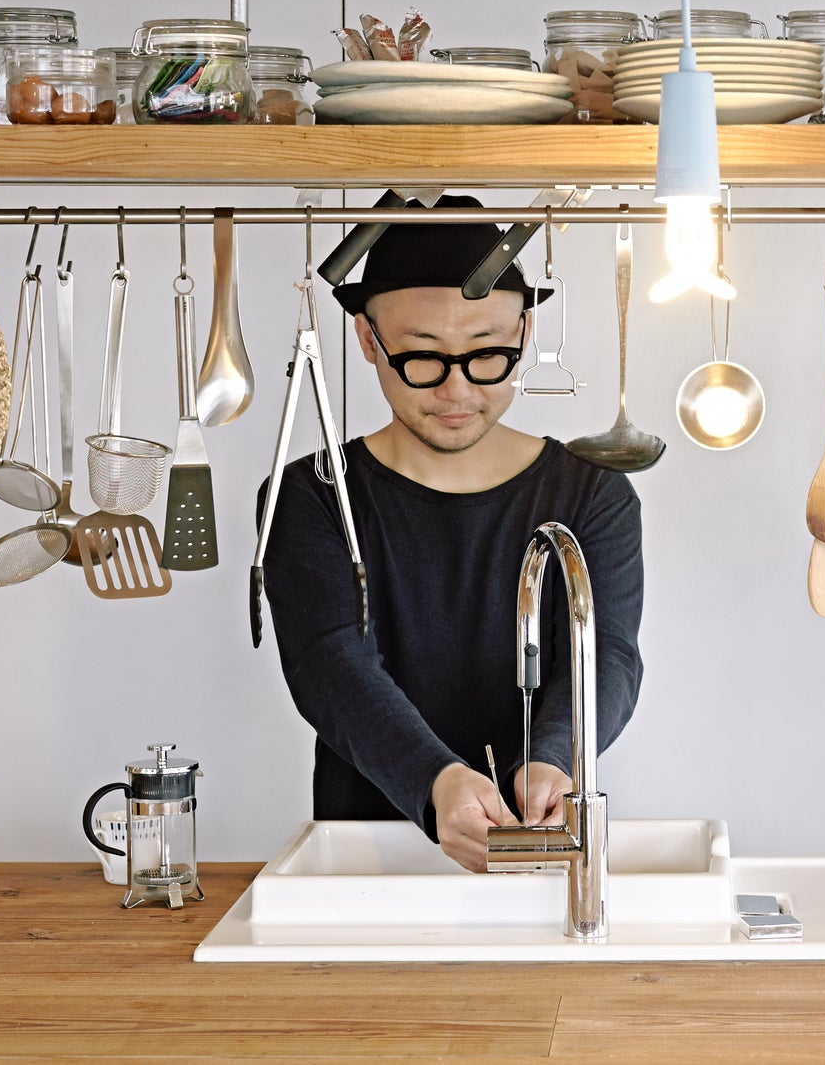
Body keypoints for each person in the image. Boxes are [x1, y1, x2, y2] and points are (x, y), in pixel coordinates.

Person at [260, 196, 644, 873]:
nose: (458, 388)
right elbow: (330, 664)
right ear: (369, 340)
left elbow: (607, 656)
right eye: (423, 358)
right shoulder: (312, 496)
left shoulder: (594, 494)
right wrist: (437, 783)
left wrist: (555, 756)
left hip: (541, 846)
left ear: (524, 334)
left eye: (487, 354)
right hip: (365, 859)